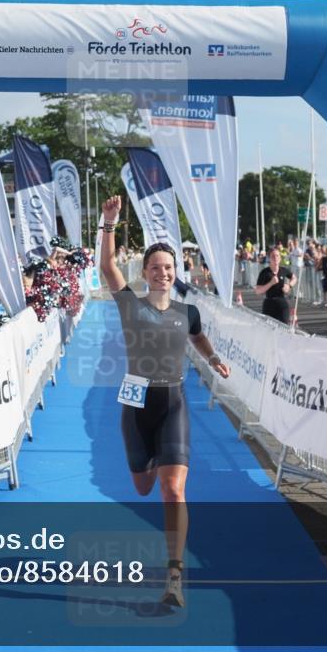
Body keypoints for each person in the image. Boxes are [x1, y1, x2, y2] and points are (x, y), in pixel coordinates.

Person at [99, 195, 230, 609]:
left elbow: (197, 336)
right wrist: (109, 222)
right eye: (155, 267)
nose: (162, 273)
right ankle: (150, 459)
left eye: (168, 268)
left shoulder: (187, 311)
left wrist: (211, 358)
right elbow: (107, 267)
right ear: (145, 272)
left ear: (175, 274)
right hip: (136, 406)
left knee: (173, 491)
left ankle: (174, 577)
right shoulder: (130, 306)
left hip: (173, 402)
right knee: (143, 488)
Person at [254, 247, 296, 324]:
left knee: (284, 327)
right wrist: (270, 283)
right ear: (269, 258)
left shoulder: (283, 270)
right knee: (268, 328)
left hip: (282, 303)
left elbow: (294, 278)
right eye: (273, 256)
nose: (275, 258)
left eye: (277, 256)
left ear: (280, 258)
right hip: (269, 303)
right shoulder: (265, 273)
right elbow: (258, 291)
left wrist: (289, 286)